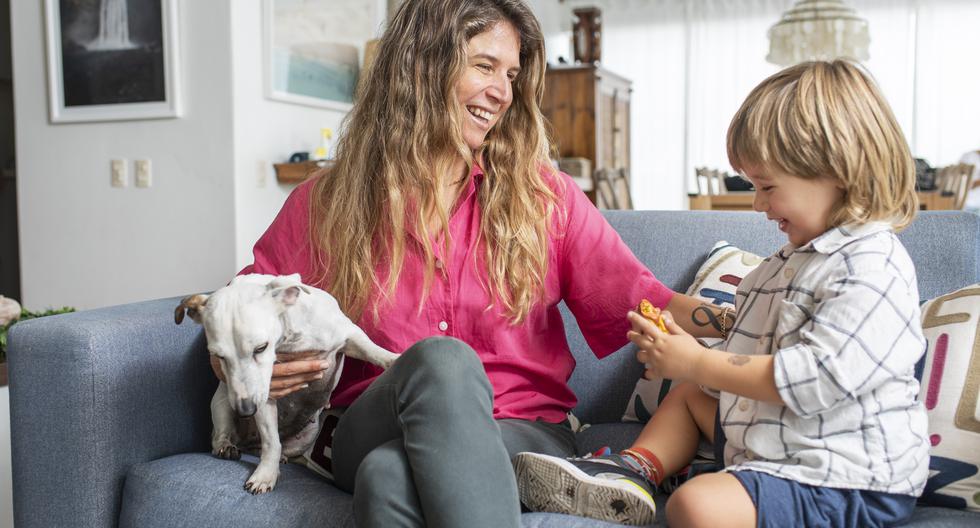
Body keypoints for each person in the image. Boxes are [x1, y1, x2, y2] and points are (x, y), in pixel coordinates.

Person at [211, 1, 730, 526]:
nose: (502, 92)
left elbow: (638, 298)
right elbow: (242, 302)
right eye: (484, 66)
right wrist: (240, 364)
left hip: (519, 426)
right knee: (442, 361)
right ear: (422, 66)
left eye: (511, 75)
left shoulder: (543, 197)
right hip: (370, 420)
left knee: (387, 476)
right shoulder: (328, 201)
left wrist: (755, 314)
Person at [514, 60, 930, 528]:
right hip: (779, 446)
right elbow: (737, 356)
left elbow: (818, 378)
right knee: (689, 395)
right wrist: (678, 351)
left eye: (767, 186)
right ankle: (632, 470)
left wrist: (696, 360)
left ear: (839, 169)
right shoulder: (780, 266)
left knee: (697, 504)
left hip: (843, 474)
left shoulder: (870, 263)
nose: (757, 204)